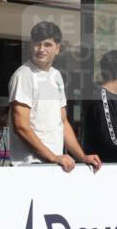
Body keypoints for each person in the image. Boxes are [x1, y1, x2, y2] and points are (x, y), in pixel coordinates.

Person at [8, 21, 101, 172]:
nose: (41, 49)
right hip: (29, 166)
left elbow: (63, 122)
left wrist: (82, 157)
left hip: (53, 164)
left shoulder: (56, 75)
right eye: (37, 44)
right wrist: (53, 157)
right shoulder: (23, 75)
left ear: (58, 48)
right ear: (31, 45)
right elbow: (21, 126)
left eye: (47, 45)